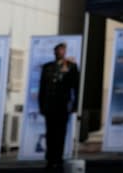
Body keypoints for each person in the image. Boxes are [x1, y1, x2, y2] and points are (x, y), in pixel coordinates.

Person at [38, 42, 79, 171]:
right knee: (50, 134)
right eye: (58, 50)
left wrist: (75, 104)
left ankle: (59, 159)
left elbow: (76, 87)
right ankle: (50, 160)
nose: (60, 52)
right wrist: (41, 105)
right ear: (54, 52)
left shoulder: (71, 67)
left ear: (65, 52)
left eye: (62, 50)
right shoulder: (47, 67)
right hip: (49, 105)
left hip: (62, 105)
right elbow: (42, 88)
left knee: (60, 133)